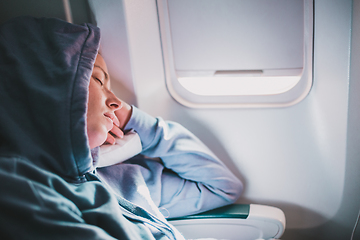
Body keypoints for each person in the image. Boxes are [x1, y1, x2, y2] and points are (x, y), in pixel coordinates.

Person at [0, 16, 243, 239]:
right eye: (98, 79)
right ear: (43, 92)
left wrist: (132, 119)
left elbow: (221, 187)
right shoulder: (19, 188)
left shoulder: (124, 179)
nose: (116, 102)